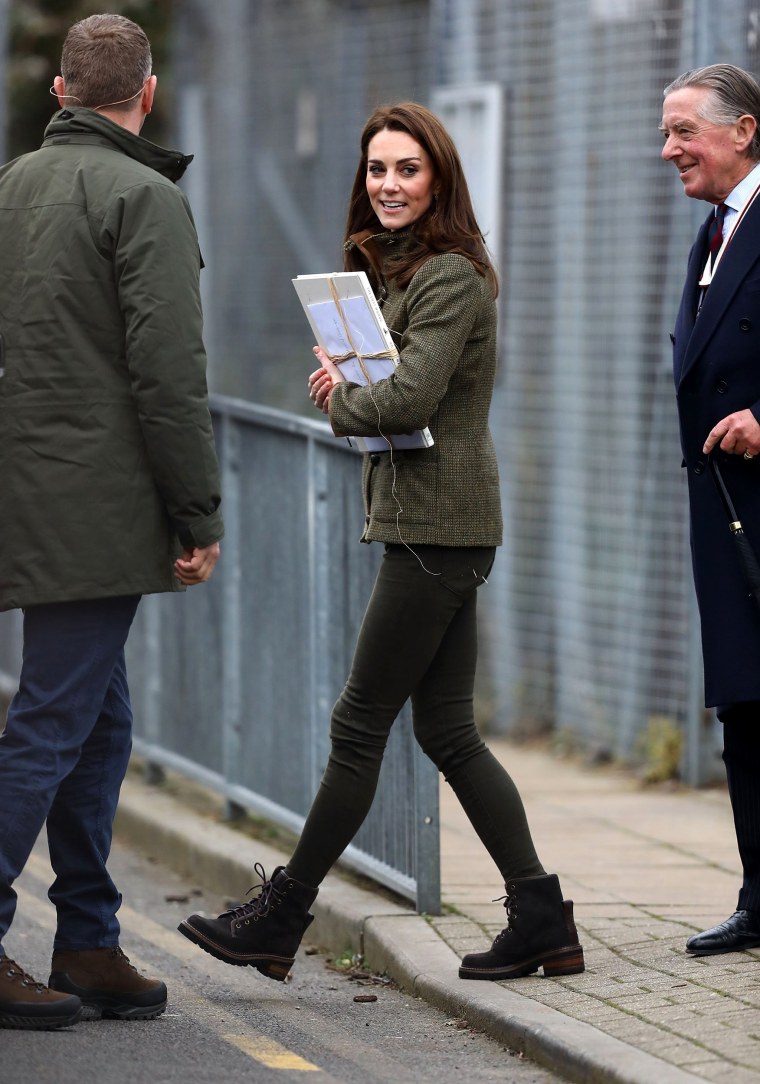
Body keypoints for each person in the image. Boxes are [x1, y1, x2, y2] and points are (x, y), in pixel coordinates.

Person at [180, 101, 583, 985]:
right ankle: (543, 919)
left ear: (438, 178)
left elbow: (406, 401)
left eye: (407, 169)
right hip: (429, 524)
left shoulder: (448, 278)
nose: (389, 185)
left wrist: (339, 402)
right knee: (446, 732)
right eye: (376, 170)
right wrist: (355, 387)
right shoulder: (395, 278)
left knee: (357, 725)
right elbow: (390, 390)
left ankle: (281, 917)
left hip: (438, 529)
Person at [0, 13, 223, 1030]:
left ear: (58, 95)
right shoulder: (143, 197)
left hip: (27, 493)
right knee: (52, 722)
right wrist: (197, 511)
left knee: (99, 719)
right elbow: (168, 377)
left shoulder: (10, 190)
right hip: (94, 508)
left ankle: (88, 939)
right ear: (148, 94)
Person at [662, 64, 760, 956]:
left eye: (685, 131)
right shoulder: (714, 232)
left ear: (744, 131)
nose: (670, 149)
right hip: (724, 510)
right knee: (744, 706)